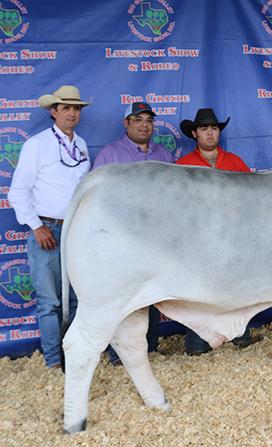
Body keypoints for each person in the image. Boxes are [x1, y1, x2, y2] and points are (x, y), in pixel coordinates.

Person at [8, 85, 91, 368]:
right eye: (66, 108)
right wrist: (36, 226)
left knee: (79, 299)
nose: (72, 113)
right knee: (50, 302)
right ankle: (54, 362)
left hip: (77, 230)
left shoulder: (80, 145)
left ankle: (78, 358)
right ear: (53, 111)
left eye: (76, 108)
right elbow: (17, 191)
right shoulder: (37, 144)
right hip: (48, 229)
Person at [94, 101, 173, 364]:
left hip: (157, 237)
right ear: (126, 123)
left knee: (151, 293)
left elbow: (175, 197)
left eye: (148, 120)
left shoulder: (163, 154)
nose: (144, 125)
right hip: (122, 238)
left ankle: (148, 350)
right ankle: (120, 355)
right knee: (123, 296)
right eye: (137, 119)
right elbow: (97, 199)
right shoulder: (110, 155)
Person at [176, 107, 256, 354]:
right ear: (194, 133)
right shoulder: (181, 165)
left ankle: (240, 334)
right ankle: (197, 339)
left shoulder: (235, 162)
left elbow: (253, 199)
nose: (210, 133)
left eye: (214, 128)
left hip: (233, 238)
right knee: (196, 290)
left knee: (236, 285)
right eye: (204, 129)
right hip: (197, 240)